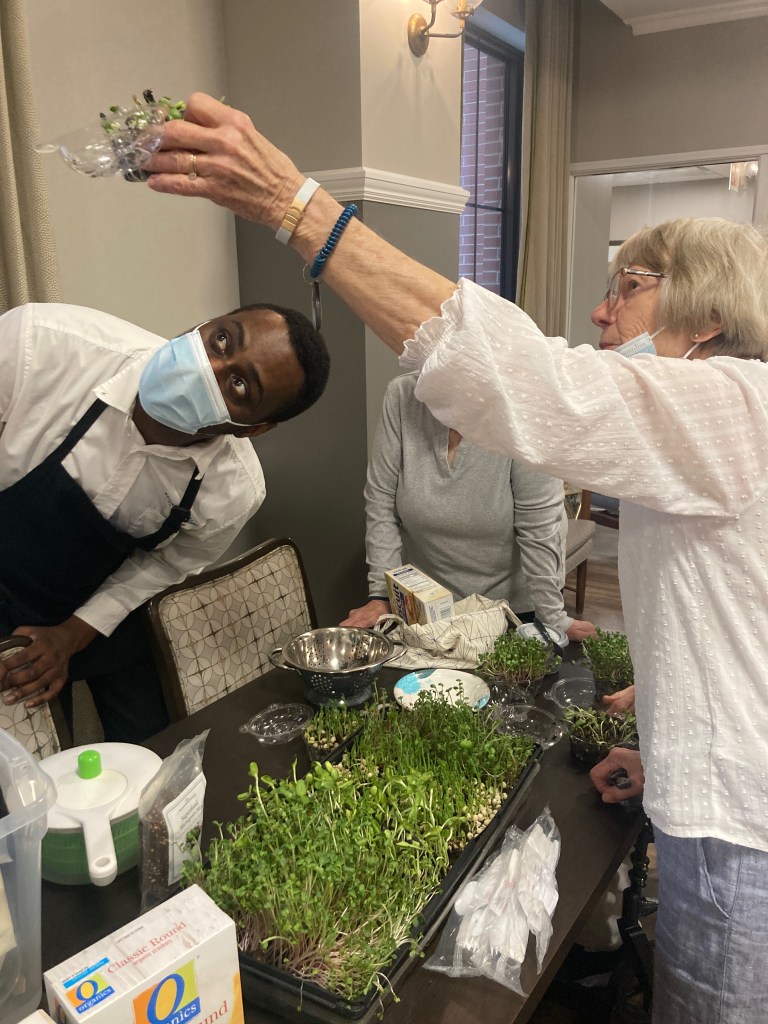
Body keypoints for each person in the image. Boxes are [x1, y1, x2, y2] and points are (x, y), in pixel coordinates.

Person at [145, 94, 768, 1023]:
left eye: (631, 284)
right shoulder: (718, 428)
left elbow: (529, 384)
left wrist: (294, 206)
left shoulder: (731, 408)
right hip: (711, 799)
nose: (601, 309)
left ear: (707, 317)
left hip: (741, 836)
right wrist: (669, 747)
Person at [0, 297, 329, 742]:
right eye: (221, 339)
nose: (208, 367)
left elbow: (163, 566)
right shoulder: (39, 344)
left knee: (154, 753)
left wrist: (71, 635)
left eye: (238, 385)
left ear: (254, 428)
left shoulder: (234, 490)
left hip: (100, 602)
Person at [341, 371, 595, 641]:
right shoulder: (402, 394)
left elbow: (539, 529)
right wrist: (382, 595)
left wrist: (553, 618)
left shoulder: (527, 408)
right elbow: (381, 502)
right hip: (426, 610)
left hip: (510, 611)